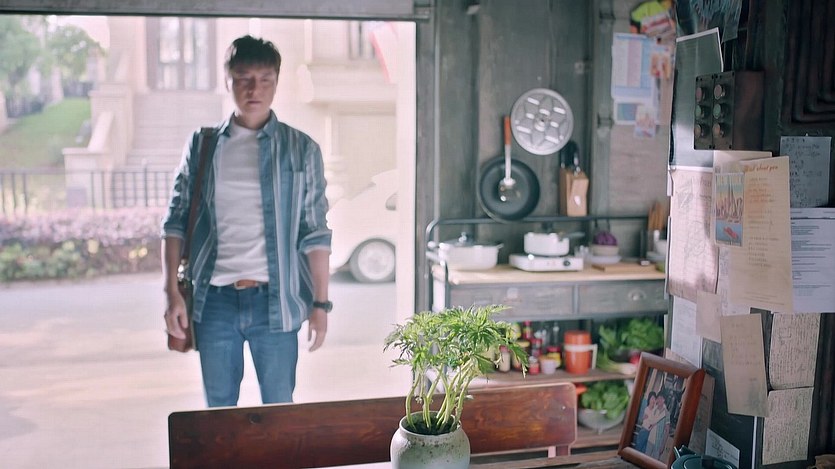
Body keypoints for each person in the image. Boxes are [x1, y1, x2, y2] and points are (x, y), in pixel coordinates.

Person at [160, 35, 332, 407]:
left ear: (276, 82)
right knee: (219, 413)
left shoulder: (301, 149)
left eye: (265, 79)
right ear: (228, 81)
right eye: (244, 78)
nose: (255, 89)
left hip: (276, 300)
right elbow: (175, 220)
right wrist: (171, 293)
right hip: (214, 302)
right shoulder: (203, 145)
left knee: (279, 410)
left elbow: (315, 233)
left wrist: (321, 305)